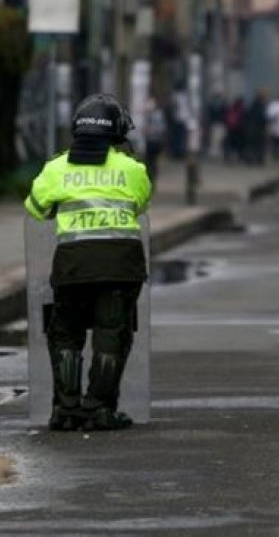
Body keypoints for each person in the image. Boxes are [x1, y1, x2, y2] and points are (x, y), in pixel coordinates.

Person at [24, 94, 152, 431]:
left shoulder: (55, 168)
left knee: (65, 335)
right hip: (121, 265)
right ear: (116, 133)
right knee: (112, 336)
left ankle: (66, 410)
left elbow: (35, 207)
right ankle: (100, 410)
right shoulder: (132, 169)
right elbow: (140, 204)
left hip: (73, 266)